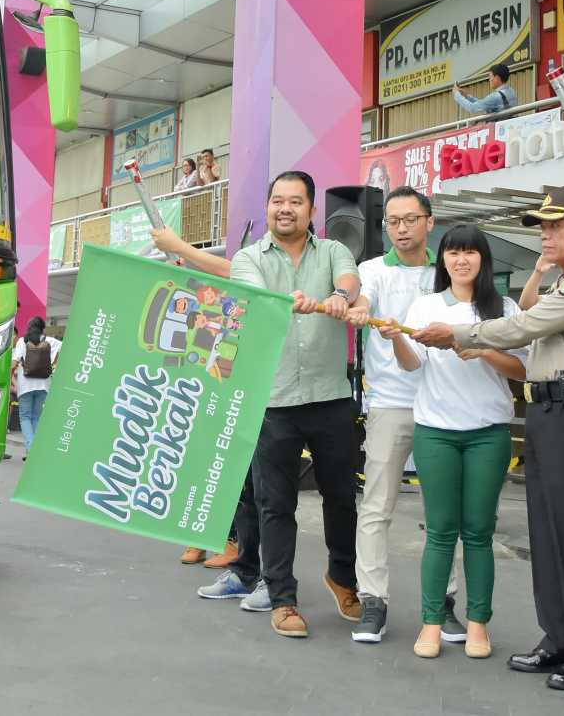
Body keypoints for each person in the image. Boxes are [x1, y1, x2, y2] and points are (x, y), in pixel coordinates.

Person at [412, 186, 564, 691]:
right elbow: (530, 305)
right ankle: (560, 639)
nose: (545, 235)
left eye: (555, 227)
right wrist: (542, 268)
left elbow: (525, 325)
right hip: (548, 408)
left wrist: (462, 335)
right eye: (541, 228)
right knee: (548, 534)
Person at [196, 171, 361, 639]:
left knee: (342, 498)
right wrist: (279, 299)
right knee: (275, 504)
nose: (284, 209)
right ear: (268, 208)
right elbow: (255, 295)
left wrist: (338, 296)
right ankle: (283, 597)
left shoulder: (332, 251)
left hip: (330, 397)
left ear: (311, 210)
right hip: (273, 401)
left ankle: (343, 579)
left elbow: (349, 278)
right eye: (277, 201)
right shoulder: (249, 257)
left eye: (295, 201)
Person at [380, 225, 526, 660]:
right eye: (452, 253)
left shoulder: (504, 308)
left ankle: (479, 624)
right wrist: (397, 341)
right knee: (441, 534)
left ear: (484, 259)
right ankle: (431, 623)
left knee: (478, 534)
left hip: (488, 433)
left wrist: (479, 348)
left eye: (470, 253)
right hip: (436, 433)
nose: (461, 260)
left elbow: (521, 370)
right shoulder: (425, 306)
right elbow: (411, 366)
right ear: (442, 260)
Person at [343, 187, 462, 646]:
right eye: (392, 221)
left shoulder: (447, 271)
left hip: (442, 403)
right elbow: (364, 299)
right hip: (390, 403)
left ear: (430, 222)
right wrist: (360, 310)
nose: (401, 228)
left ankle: (443, 603)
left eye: (410, 219)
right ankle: (373, 600)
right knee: (376, 505)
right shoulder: (371, 270)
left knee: (441, 511)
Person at [152, 225, 244, 568]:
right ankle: (196, 536)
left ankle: (229, 540)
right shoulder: (194, 313)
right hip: (193, 395)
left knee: (225, 473)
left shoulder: (235, 309)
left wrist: (181, 247)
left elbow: (227, 272)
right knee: (191, 466)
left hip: (230, 398)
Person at [10, 317, 59, 457]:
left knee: (25, 417)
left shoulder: (22, 341)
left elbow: (14, 363)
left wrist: (9, 378)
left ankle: (31, 449)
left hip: (25, 386)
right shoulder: (50, 341)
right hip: (44, 384)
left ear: (28, 327)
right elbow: (65, 350)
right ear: (43, 328)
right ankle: (34, 448)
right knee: (36, 417)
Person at [452, 63, 519, 116]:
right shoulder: (511, 91)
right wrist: (466, 96)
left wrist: (457, 95)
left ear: (497, 78)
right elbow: (484, 104)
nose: (489, 80)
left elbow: (473, 108)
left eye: (490, 77)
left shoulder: (496, 96)